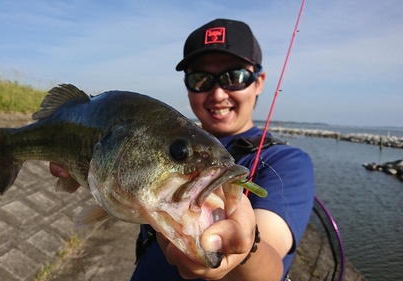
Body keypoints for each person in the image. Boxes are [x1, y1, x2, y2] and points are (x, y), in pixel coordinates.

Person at [50, 18, 315, 281]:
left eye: (234, 77)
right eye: (201, 79)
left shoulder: (287, 163)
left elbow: (271, 267)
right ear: (188, 86)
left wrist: (245, 249)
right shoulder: (166, 134)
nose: (218, 93)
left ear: (259, 82)